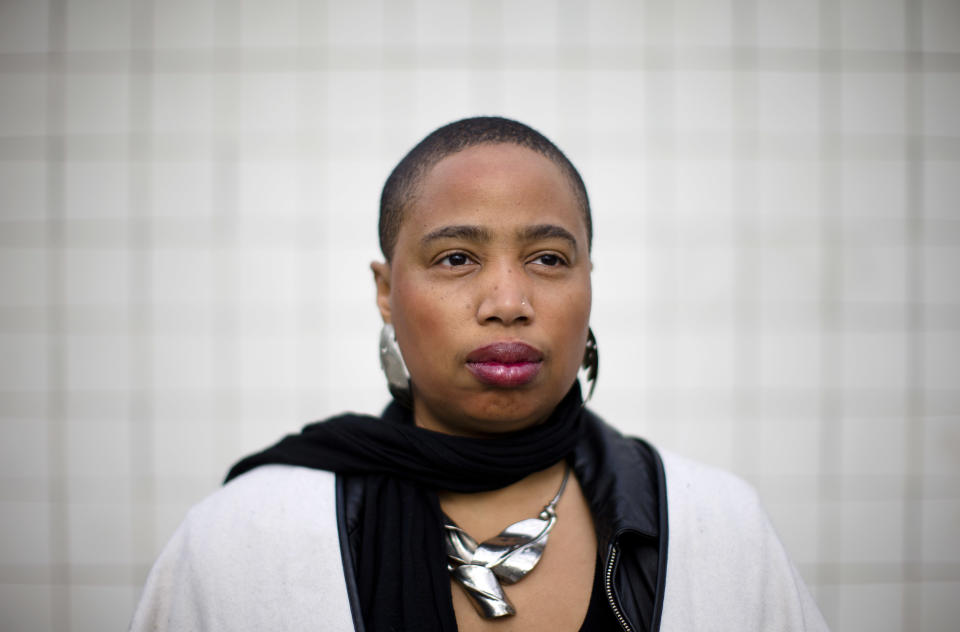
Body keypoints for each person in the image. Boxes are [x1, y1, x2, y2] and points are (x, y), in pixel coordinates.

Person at [130, 117, 829, 631]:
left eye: (549, 259)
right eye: (456, 258)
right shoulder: (245, 539)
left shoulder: (719, 530)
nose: (508, 304)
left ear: (590, 283)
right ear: (385, 290)